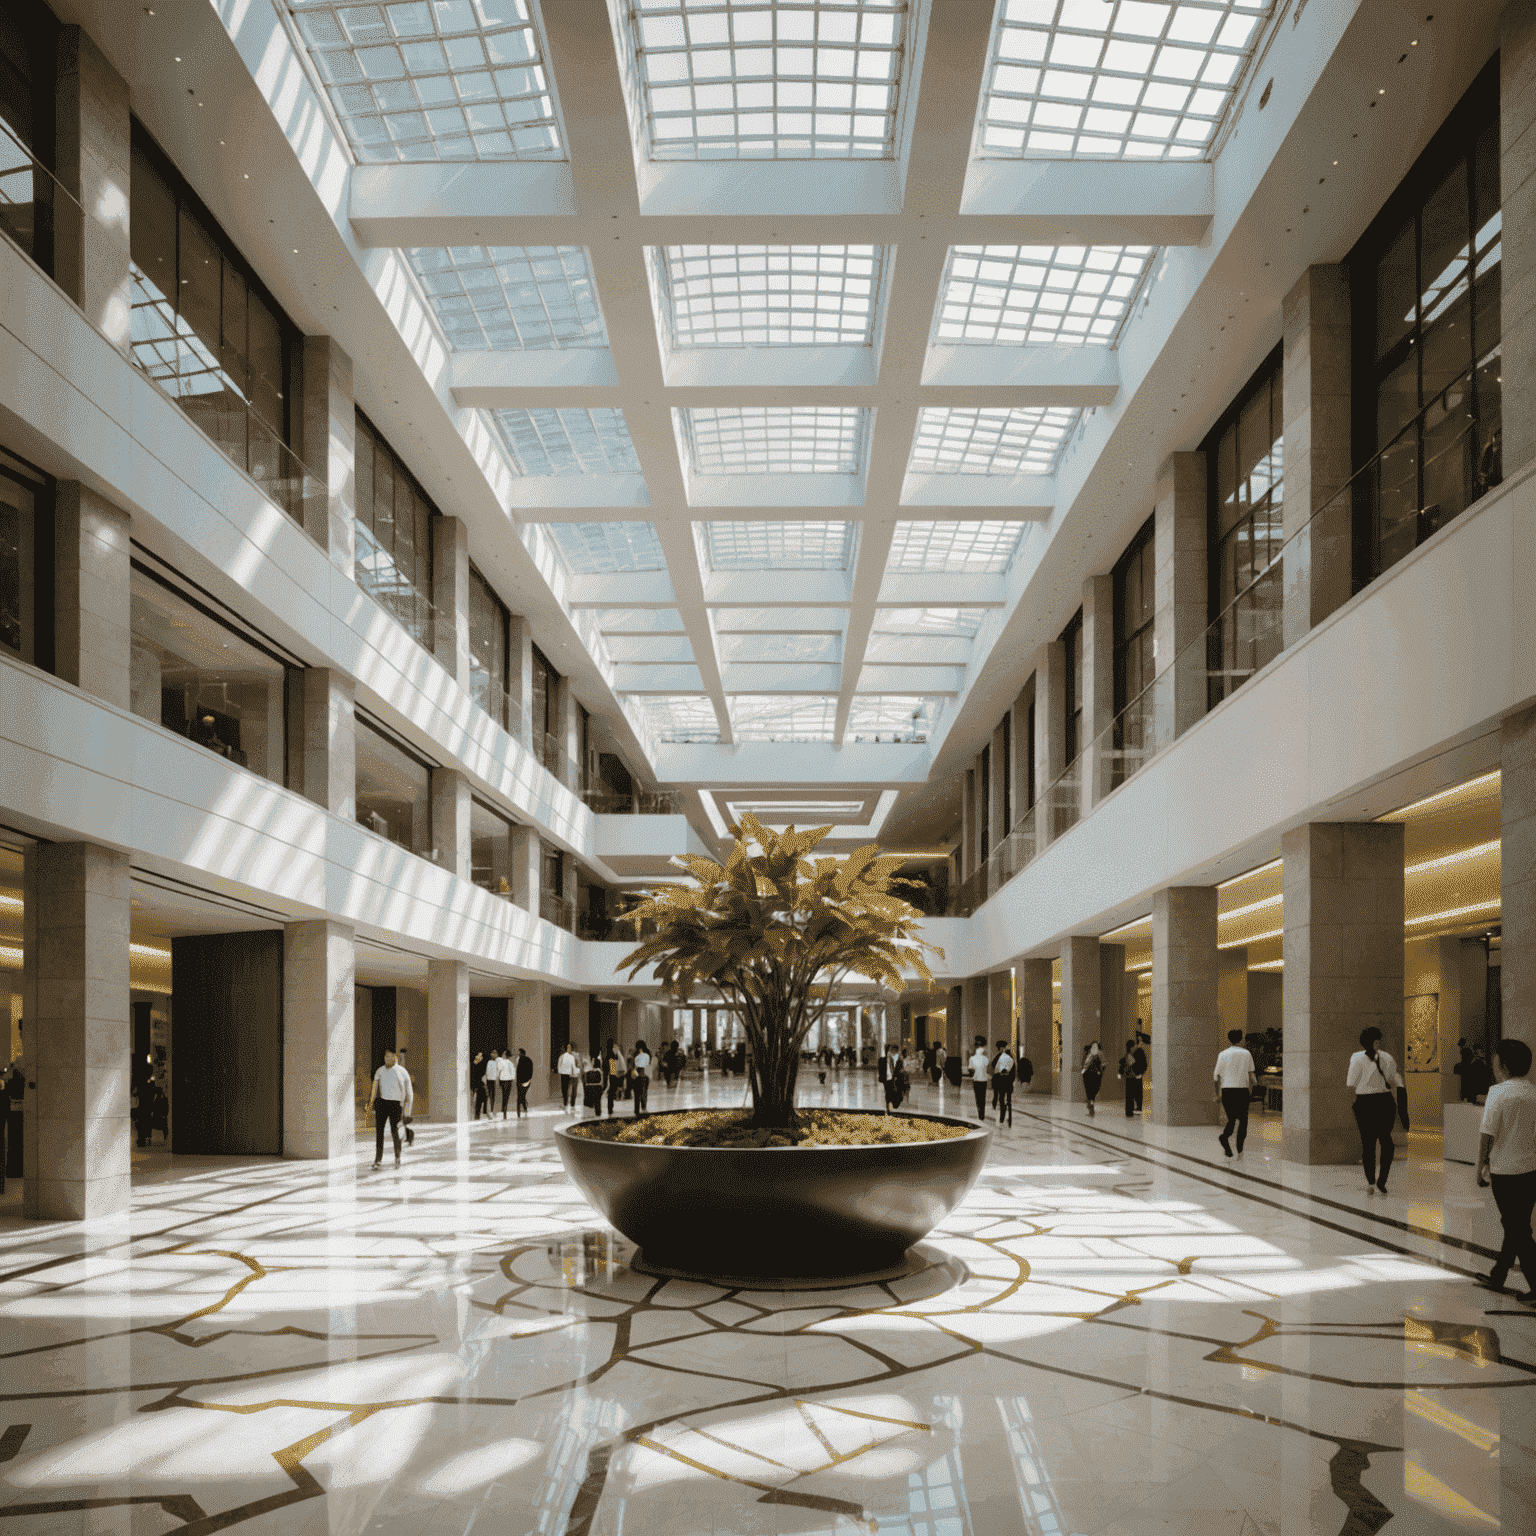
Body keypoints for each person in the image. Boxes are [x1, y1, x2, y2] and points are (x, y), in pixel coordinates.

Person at [1475, 1038, 1536, 1303]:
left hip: (1505, 1172)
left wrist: (1480, 1166)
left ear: (1503, 1065)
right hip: (1531, 1170)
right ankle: (1498, 1276)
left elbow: (1487, 1134)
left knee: (1518, 1230)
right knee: (1516, 1226)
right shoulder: (1534, 1093)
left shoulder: (1498, 1093)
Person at [1346, 1025, 1403, 1194]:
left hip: (1368, 1102)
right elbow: (1393, 1078)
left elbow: (1351, 1083)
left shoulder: (1358, 1058)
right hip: (1381, 1102)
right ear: (1375, 1041)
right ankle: (1378, 1180)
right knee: (1381, 1141)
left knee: (1370, 1142)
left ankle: (1373, 1181)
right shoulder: (1384, 1058)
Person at [1214, 1028, 1257, 1157]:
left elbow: (1216, 1077)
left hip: (1227, 1090)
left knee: (1231, 1119)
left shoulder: (1222, 1054)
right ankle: (1239, 1145)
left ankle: (1224, 1137)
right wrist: (1255, 1083)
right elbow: (1251, 1076)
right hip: (1242, 1091)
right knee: (1243, 1120)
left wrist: (1217, 1094)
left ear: (1229, 1039)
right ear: (1241, 1039)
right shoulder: (1246, 1054)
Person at [369, 1047, 411, 1167]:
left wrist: (403, 1105)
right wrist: (371, 1102)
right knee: (379, 1133)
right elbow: (374, 1088)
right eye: (385, 1057)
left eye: (389, 1056)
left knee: (395, 1132)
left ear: (394, 1057)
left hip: (395, 1104)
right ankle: (378, 1160)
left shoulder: (400, 1071)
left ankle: (397, 1157)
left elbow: (404, 1090)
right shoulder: (380, 1071)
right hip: (382, 1103)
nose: (387, 1059)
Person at [1118, 1037, 1147, 1117]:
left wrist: (1140, 1073)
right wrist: (1141, 1073)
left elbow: (1142, 1064)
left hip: (1133, 1076)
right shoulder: (1132, 1053)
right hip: (1133, 1076)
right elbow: (1144, 1064)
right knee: (1134, 1093)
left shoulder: (1134, 1053)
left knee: (1132, 1094)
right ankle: (1133, 1110)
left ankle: (1132, 1110)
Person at [991, 1040, 1016, 1127]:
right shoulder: (1009, 1058)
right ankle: (1004, 1117)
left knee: (1002, 1100)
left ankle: (1002, 1117)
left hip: (1001, 1082)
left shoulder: (1001, 1057)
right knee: (1006, 1100)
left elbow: (994, 1067)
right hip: (1007, 1083)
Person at [967, 1035, 990, 1121]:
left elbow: (970, 1071)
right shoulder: (985, 1057)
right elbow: (988, 1067)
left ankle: (980, 1113)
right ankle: (982, 1114)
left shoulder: (972, 1058)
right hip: (983, 1079)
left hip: (976, 1080)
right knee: (982, 1097)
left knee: (978, 1097)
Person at [396, 1050, 415, 1144]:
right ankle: (408, 1136)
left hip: (406, 1098)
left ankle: (407, 1136)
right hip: (405, 1098)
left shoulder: (400, 1071)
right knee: (403, 1119)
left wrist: (402, 1055)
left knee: (404, 1119)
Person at [1081, 1041, 1104, 1114]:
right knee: (1089, 1090)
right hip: (1088, 1075)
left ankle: (1090, 1102)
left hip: (1096, 1075)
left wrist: (1101, 1071)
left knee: (1094, 1089)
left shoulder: (1100, 1054)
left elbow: (1103, 1063)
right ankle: (1091, 1104)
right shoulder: (1088, 1054)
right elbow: (1084, 1063)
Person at [605, 1040, 626, 1116]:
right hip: (613, 1076)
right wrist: (617, 1074)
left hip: (615, 1075)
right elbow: (613, 1069)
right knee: (611, 1092)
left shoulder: (617, 1055)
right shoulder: (611, 1056)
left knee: (612, 1092)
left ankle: (610, 1108)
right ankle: (610, 1108)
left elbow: (622, 1065)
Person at [632, 1040, 651, 1115]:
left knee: (637, 1093)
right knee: (644, 1092)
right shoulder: (647, 1054)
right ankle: (643, 1107)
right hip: (645, 1076)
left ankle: (636, 1109)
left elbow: (633, 1065)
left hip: (637, 1076)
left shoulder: (635, 1054)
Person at [556, 1043, 578, 1111]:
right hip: (565, 1075)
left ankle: (572, 1104)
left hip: (573, 1075)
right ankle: (565, 1103)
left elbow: (578, 1065)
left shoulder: (575, 1056)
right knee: (565, 1090)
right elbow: (559, 1065)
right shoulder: (562, 1056)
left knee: (573, 1090)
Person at [514, 1047, 534, 1117]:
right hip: (527, 1082)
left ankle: (520, 1111)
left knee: (520, 1096)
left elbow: (518, 1071)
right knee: (522, 1096)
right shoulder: (529, 1060)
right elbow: (531, 1072)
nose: (517, 1053)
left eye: (518, 1052)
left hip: (520, 1081)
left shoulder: (520, 1060)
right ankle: (523, 1110)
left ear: (521, 1053)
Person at [471, 1051, 488, 1119]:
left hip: (479, 1085)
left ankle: (478, 1115)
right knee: (478, 1102)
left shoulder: (478, 1066)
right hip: (477, 1085)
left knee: (480, 1100)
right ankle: (477, 1116)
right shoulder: (475, 1066)